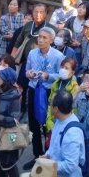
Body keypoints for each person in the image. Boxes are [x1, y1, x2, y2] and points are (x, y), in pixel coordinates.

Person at [24, 25, 65, 165]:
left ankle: (50, 155)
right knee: (33, 125)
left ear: (52, 40)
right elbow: (26, 70)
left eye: (44, 38)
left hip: (49, 92)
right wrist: (29, 73)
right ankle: (37, 154)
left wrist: (48, 76)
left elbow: (62, 75)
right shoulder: (32, 53)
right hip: (34, 89)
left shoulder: (59, 56)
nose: (40, 40)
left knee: (49, 125)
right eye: (39, 37)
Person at [10, 3, 49, 113]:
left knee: (37, 86)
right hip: (26, 61)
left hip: (42, 63)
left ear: (46, 14)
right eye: (36, 12)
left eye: (41, 12)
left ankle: (36, 109)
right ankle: (21, 108)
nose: (38, 14)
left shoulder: (50, 28)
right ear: (32, 13)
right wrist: (12, 60)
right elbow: (18, 42)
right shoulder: (28, 26)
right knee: (21, 84)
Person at [45, 90, 86, 177]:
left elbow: (70, 166)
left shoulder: (72, 132)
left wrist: (47, 164)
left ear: (56, 109)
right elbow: (54, 146)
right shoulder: (59, 120)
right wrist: (47, 155)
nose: (49, 106)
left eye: (50, 104)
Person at [0, 67, 22, 177]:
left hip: (8, 136)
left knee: (9, 165)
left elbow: (14, 120)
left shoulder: (14, 96)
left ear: (7, 80)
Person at [45, 57, 80, 134]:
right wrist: (49, 123)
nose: (63, 70)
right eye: (62, 67)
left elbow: (74, 109)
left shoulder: (75, 88)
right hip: (53, 123)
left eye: (66, 68)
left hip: (66, 126)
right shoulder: (55, 84)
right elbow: (50, 104)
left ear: (72, 72)